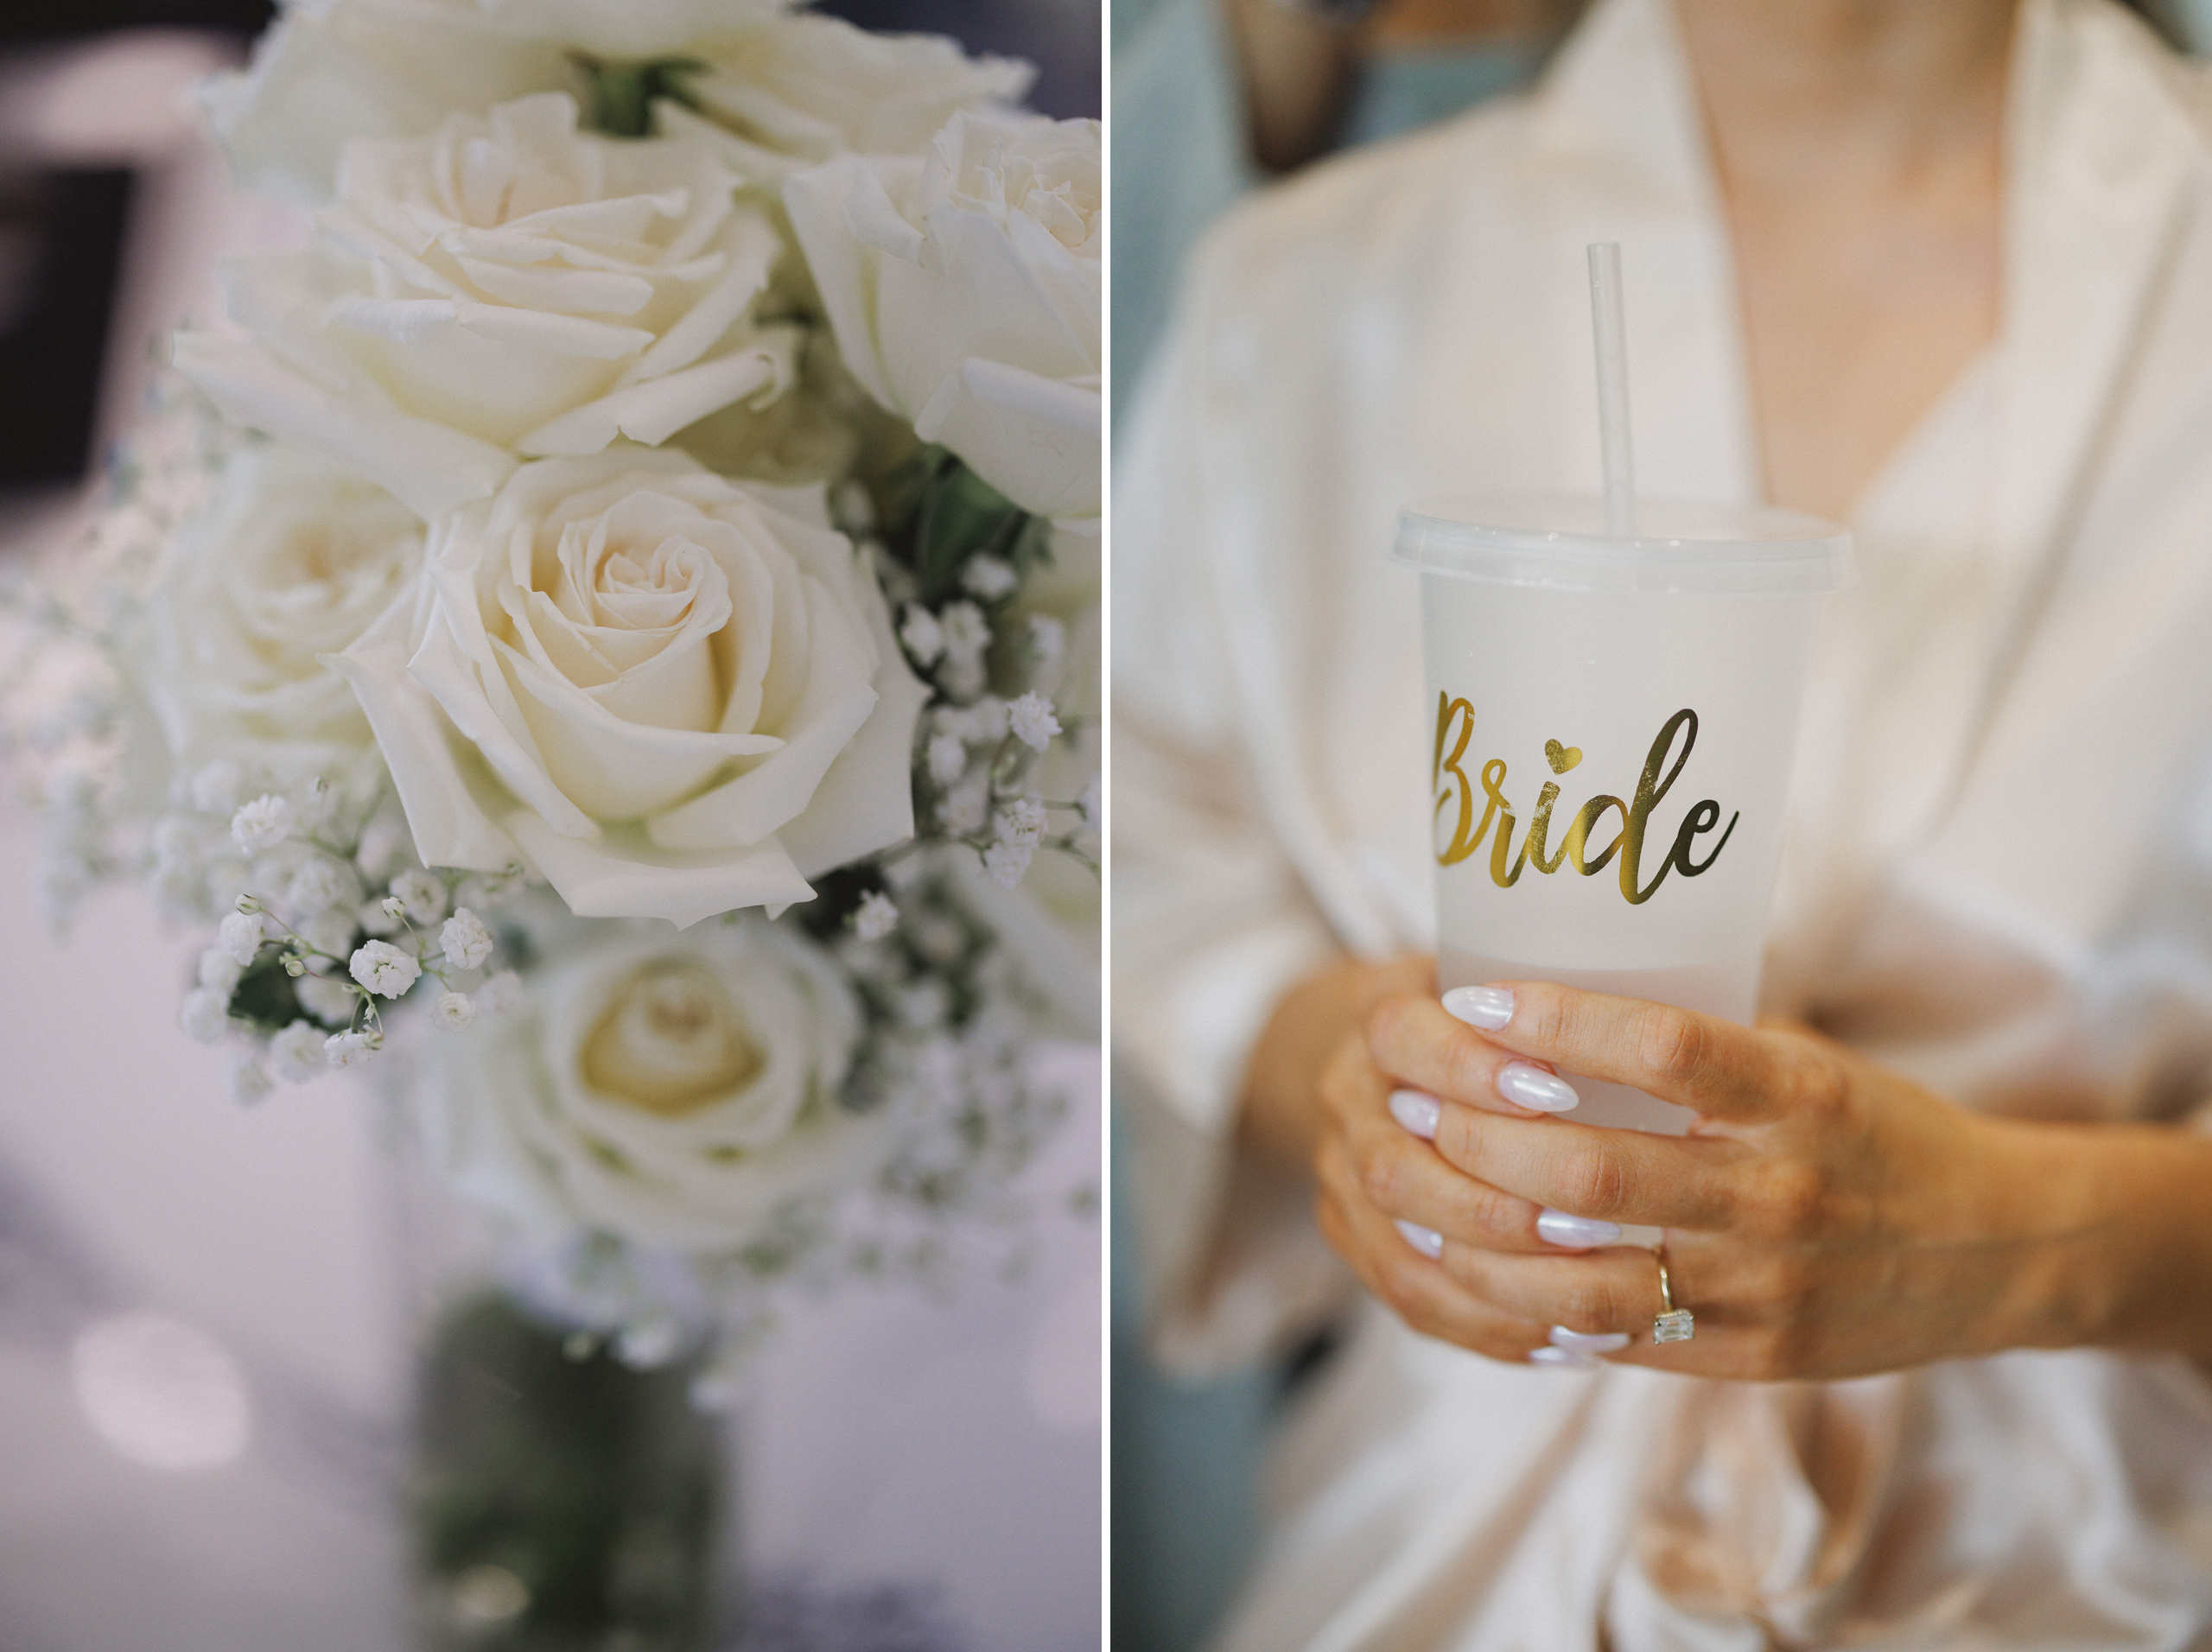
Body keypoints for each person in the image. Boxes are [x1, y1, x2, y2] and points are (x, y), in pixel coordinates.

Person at [1112, 0, 2212, 1644]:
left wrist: (2013, 1239)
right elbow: (1141, 855)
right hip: (1443, 1554)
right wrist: (1356, 1078)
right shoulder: (1313, 292)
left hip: (2098, 1567)